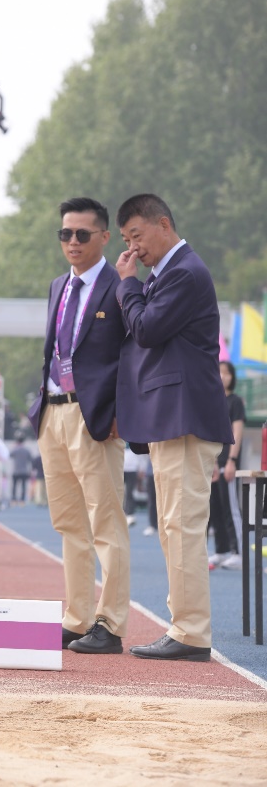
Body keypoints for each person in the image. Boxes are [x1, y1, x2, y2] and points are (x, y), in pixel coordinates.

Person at [114, 193, 232, 662]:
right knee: (171, 526)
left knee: (181, 526)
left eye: (136, 236)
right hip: (170, 416)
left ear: (163, 224)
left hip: (185, 416)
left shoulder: (183, 272)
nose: (133, 248)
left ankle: (191, 632)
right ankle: (184, 626)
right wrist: (136, 285)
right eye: (126, 240)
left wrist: (127, 285)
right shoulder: (166, 274)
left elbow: (145, 329)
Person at [27, 197, 128, 653]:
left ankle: (111, 623)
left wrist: (119, 413)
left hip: (95, 418)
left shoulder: (120, 286)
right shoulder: (58, 286)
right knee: (69, 523)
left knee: (106, 522)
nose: (72, 241)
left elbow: (132, 356)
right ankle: (78, 617)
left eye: (82, 234)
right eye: (65, 233)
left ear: (103, 237)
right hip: (52, 413)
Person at [208, 360, 244, 570]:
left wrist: (231, 461)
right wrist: (212, 461)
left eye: (226, 373)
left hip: (227, 462)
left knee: (231, 508)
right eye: (219, 372)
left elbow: (237, 432)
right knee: (215, 508)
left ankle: (238, 552)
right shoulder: (213, 400)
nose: (222, 376)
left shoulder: (235, 402)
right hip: (214, 463)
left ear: (232, 377)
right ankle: (221, 551)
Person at [9, 435, 32, 506]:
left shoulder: (15, 450)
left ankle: (13, 500)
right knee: (23, 486)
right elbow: (30, 460)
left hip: (16, 471)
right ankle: (22, 500)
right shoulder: (26, 450)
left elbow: (9, 455)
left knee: (14, 486)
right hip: (24, 471)